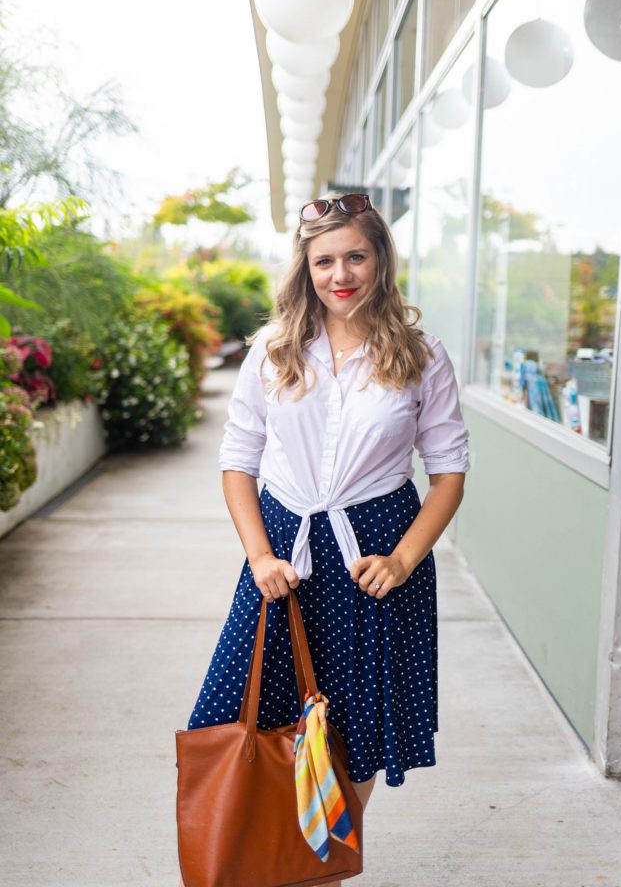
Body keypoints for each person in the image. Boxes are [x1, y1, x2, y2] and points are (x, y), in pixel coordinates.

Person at [178, 192, 470, 887]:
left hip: (376, 560)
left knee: (354, 735)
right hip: (283, 555)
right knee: (238, 716)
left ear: (380, 260)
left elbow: (449, 473)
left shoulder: (422, 355)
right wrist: (258, 557)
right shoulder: (274, 350)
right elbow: (238, 460)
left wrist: (402, 559)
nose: (341, 275)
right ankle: (250, 857)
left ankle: (320, 871)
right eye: (324, 261)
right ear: (305, 270)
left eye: (355, 257)